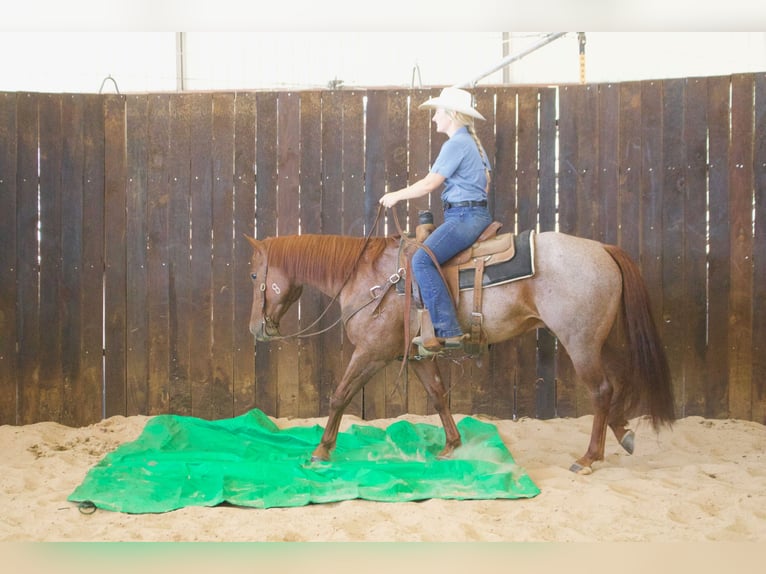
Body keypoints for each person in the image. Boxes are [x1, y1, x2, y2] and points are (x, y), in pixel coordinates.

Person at [379, 86, 492, 352]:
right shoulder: (473, 145)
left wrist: (395, 195)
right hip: (475, 214)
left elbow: (430, 183)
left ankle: (448, 329)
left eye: (438, 112)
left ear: (451, 114)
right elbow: (486, 183)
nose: (434, 118)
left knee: (420, 260)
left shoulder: (456, 144)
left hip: (464, 216)